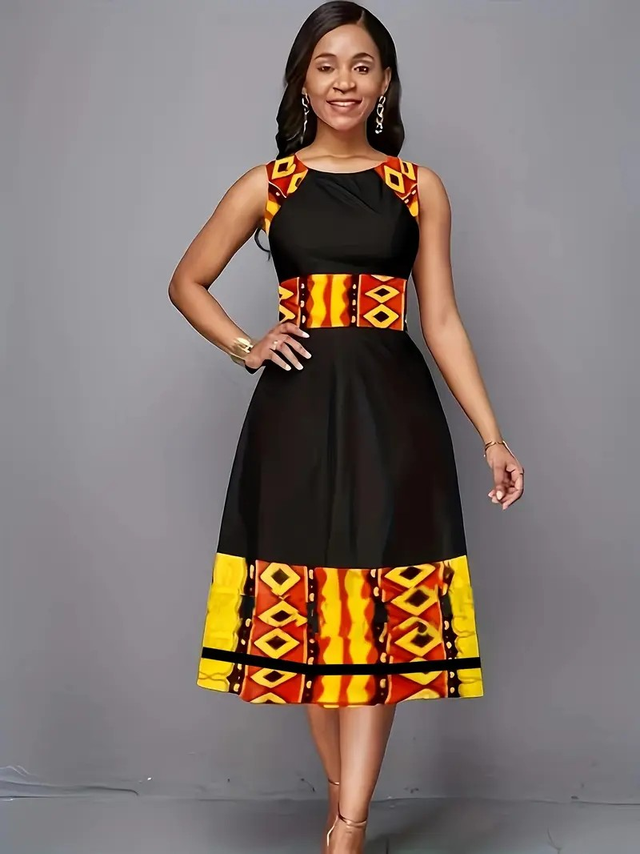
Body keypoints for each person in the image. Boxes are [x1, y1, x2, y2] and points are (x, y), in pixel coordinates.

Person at [168, 2, 524, 852]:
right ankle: (343, 802)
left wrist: (491, 435)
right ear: (303, 77)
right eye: (327, 65)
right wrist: (247, 345)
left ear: (385, 81)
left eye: (362, 66)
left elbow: (440, 320)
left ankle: (348, 831)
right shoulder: (268, 184)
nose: (344, 82)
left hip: (394, 421)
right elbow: (188, 281)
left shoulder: (417, 187)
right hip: (293, 422)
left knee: (376, 624)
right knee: (313, 629)